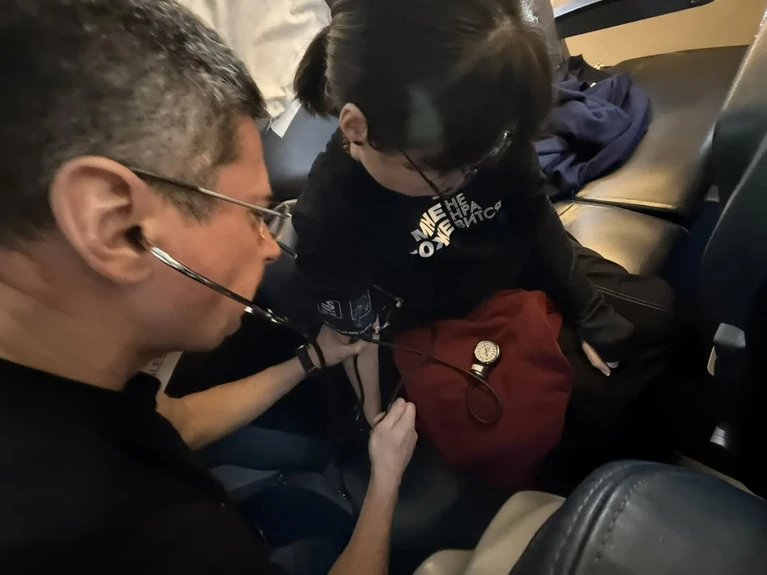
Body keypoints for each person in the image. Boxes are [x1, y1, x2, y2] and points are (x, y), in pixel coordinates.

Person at [0, 1, 417, 574]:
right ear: (114, 225)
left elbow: (173, 422)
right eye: (254, 214)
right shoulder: (149, 538)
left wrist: (310, 359)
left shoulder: (62, 377)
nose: (269, 246)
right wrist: (387, 477)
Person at [290, 0, 682, 486]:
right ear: (356, 128)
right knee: (570, 411)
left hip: (516, 267)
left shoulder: (481, 124)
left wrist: (589, 309)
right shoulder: (331, 215)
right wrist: (371, 416)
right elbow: (356, 332)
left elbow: (533, 211)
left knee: (655, 321)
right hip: (436, 322)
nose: (462, 179)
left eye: (475, 161)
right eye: (438, 171)